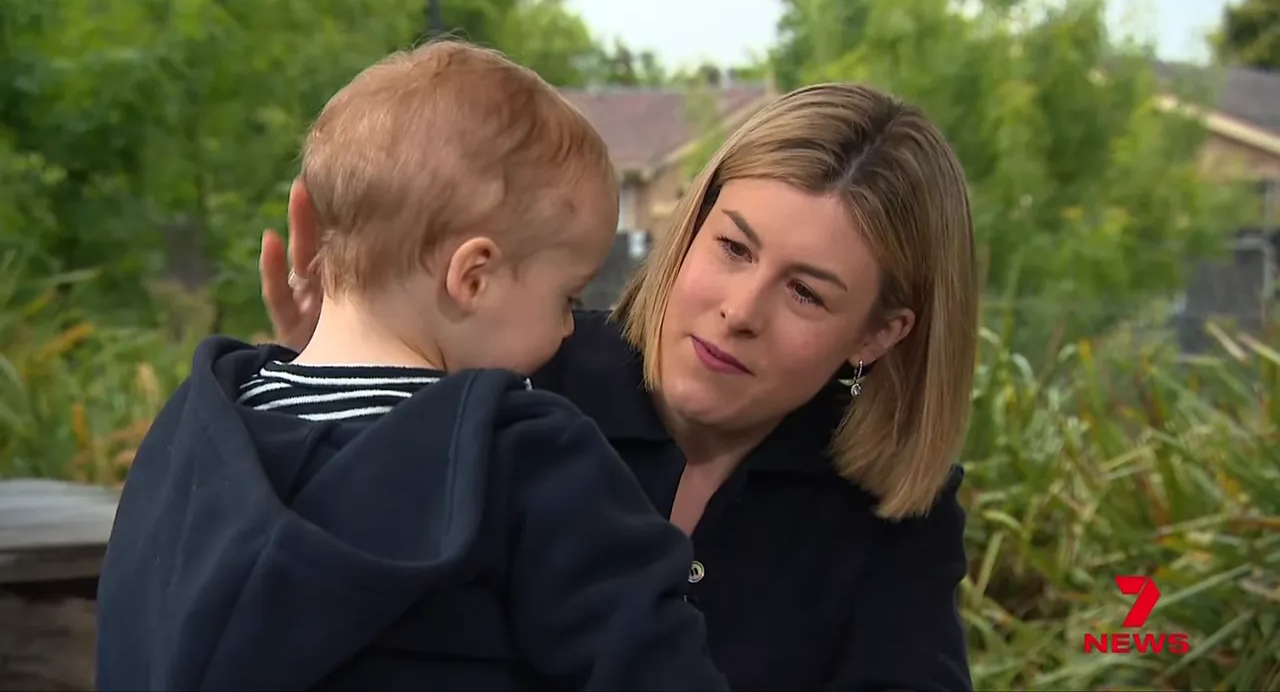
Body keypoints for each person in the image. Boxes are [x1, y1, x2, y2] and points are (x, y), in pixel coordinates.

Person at [262, 82, 980, 690]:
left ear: (877, 335)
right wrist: (349, 379)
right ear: (689, 230)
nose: (739, 311)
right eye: (733, 248)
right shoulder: (512, 371)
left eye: (805, 294)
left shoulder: (890, 516)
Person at [95, 40, 730, 692]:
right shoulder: (525, 458)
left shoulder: (193, 437)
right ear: (473, 276)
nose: (570, 329)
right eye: (566, 299)